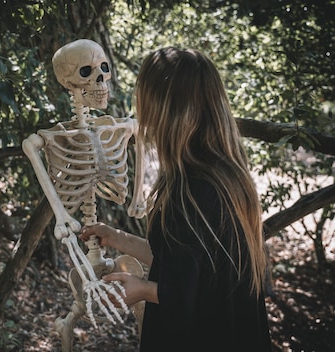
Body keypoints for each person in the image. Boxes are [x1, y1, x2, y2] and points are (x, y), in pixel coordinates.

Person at [80, 47, 273, 351]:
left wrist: (142, 289)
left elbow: (194, 293)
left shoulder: (194, 192)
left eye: (144, 95)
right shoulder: (223, 175)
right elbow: (183, 265)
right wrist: (116, 238)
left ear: (164, 107)